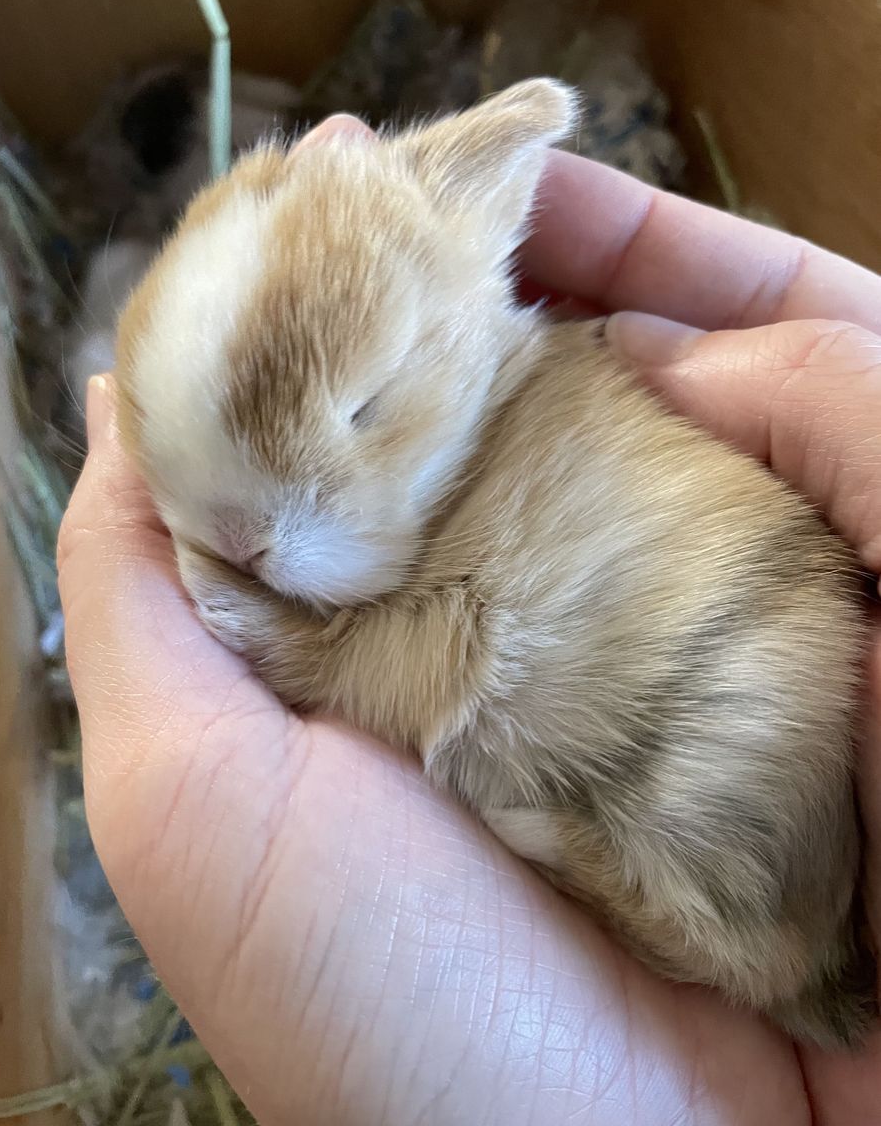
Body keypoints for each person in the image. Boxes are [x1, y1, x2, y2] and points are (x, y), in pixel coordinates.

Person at [58, 113, 881, 1125]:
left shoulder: (515, 457)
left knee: (703, 789)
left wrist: (277, 635)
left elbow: (417, 666)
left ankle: (742, 943)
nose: (253, 551)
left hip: (721, 761)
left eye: (359, 414)